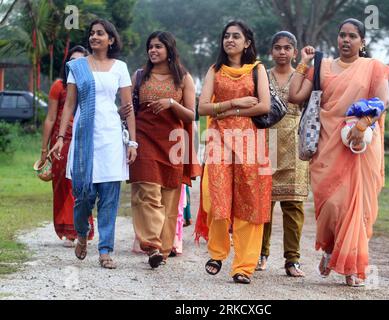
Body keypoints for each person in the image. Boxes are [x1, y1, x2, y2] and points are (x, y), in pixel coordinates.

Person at [288, 18, 389, 287]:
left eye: (353, 36)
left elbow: (383, 101)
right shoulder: (322, 66)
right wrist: (304, 63)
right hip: (328, 145)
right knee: (332, 205)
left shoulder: (373, 68)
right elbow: (295, 96)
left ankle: (352, 268)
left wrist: (363, 123)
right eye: (342, 35)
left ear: (362, 41)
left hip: (360, 147)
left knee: (358, 208)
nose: (346, 40)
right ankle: (331, 249)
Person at [50, 19, 137, 269]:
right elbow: (69, 105)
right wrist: (59, 138)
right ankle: (81, 233)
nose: (94, 37)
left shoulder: (120, 67)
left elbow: (127, 108)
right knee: (83, 195)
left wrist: (133, 141)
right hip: (83, 137)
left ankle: (106, 250)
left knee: (109, 197)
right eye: (92, 33)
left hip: (110, 137)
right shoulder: (77, 66)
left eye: (100, 33)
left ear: (111, 39)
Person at [195, 20, 272, 284]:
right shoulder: (215, 70)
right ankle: (217, 252)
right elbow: (203, 108)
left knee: (249, 201)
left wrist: (231, 112)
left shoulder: (257, 69)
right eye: (226, 36)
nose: (230, 40)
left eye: (236, 36)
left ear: (247, 42)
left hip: (251, 143)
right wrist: (235, 102)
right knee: (215, 195)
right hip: (219, 142)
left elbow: (264, 106)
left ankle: (243, 266)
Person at [128, 31, 200, 268]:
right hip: (144, 138)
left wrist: (171, 103)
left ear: (169, 49)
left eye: (158, 46)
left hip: (173, 142)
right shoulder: (139, 76)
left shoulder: (183, 78)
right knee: (147, 191)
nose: (153, 50)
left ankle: (165, 248)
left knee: (170, 197)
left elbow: (191, 114)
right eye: (150, 46)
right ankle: (152, 245)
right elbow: (129, 108)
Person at [256, 32, 314, 277]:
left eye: (287, 48)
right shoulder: (262, 75)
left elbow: (311, 106)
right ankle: (260, 254)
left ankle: (292, 260)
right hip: (265, 141)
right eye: (277, 47)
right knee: (263, 205)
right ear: (271, 51)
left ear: (294, 51)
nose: (282, 52)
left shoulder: (303, 75)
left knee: (293, 205)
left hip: (294, 141)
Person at [40, 45, 94, 247]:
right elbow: (51, 118)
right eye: (72, 60)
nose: (76, 65)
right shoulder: (58, 86)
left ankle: (79, 228)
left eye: (81, 61)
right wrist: (44, 150)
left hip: (84, 137)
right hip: (61, 141)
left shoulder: (91, 84)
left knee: (80, 184)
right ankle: (67, 230)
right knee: (63, 185)